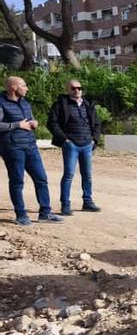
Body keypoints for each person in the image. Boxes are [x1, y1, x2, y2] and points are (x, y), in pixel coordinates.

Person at [0, 76, 64, 226]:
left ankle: (45, 213)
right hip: (12, 148)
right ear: (14, 87)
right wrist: (17, 125)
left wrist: (34, 123)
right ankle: (21, 215)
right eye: (24, 85)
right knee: (17, 181)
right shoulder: (1, 103)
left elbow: (30, 119)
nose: (27, 88)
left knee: (41, 178)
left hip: (30, 146)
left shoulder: (25, 103)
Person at [48, 79, 102, 215]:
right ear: (68, 89)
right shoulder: (60, 104)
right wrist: (65, 139)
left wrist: (94, 140)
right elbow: (52, 123)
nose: (77, 90)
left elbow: (97, 124)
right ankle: (65, 205)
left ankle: (87, 202)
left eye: (79, 88)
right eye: (73, 88)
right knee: (68, 175)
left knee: (88, 175)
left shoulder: (88, 105)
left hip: (87, 145)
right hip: (71, 145)